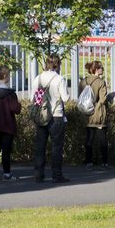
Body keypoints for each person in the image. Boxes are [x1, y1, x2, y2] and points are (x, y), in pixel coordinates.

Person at [32, 54, 70, 183]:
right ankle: (56, 175)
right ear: (58, 64)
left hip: (42, 115)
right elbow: (65, 98)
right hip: (56, 115)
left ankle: (38, 174)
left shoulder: (38, 78)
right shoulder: (60, 79)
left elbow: (35, 97)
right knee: (56, 147)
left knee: (40, 146)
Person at [0, 65, 22, 181]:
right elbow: (16, 110)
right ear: (5, 76)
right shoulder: (10, 94)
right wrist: (19, 104)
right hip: (7, 125)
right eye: (9, 75)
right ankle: (6, 173)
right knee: (6, 150)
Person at [80, 60, 109, 170]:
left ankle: (88, 161)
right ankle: (105, 162)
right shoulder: (101, 82)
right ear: (96, 69)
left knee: (89, 139)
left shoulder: (83, 81)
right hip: (98, 113)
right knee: (102, 139)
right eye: (101, 67)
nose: (103, 69)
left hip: (87, 113)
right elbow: (103, 99)